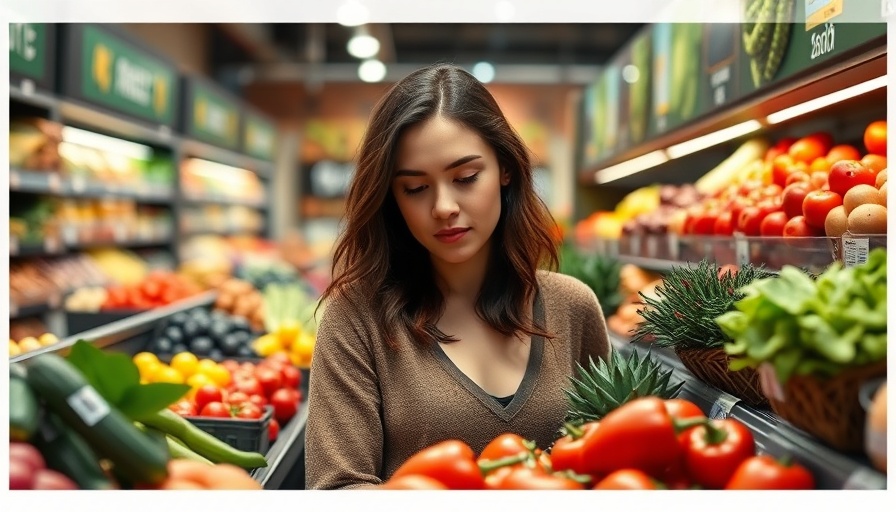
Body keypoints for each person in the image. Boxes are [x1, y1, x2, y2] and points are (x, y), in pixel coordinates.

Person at [304, 64, 610, 490]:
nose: (443, 206)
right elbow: (336, 488)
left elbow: (610, 464)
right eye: (415, 188)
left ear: (505, 169)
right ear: (391, 197)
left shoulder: (572, 307)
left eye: (465, 178)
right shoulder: (356, 320)